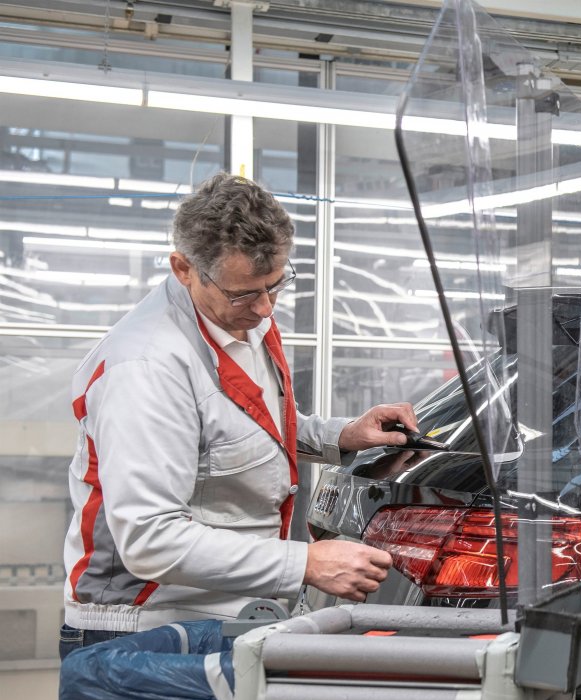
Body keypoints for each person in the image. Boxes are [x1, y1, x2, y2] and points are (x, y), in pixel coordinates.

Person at [61, 172, 420, 656]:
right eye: (245, 293)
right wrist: (305, 563)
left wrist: (343, 435)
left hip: (231, 612)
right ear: (183, 268)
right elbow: (150, 538)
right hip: (150, 628)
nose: (266, 308)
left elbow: (239, 432)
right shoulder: (146, 367)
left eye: (276, 285)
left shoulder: (238, 318)